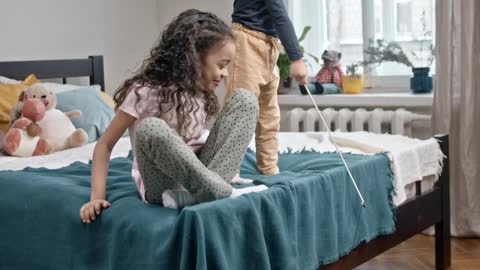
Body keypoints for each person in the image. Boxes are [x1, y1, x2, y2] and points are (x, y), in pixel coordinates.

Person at [80, 9, 267, 223]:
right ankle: (220, 191)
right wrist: (96, 197)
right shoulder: (144, 92)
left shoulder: (199, 90)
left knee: (245, 99)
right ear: (194, 58)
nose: (225, 73)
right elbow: (104, 145)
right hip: (164, 185)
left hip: (201, 173)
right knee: (150, 127)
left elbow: (198, 139)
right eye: (222, 65)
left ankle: (205, 192)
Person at [225, 0, 309, 176]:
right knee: (239, 112)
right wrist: (296, 58)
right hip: (247, 41)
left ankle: (269, 169)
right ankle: (229, 172)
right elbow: (279, 14)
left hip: (269, 45)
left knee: (269, 115)